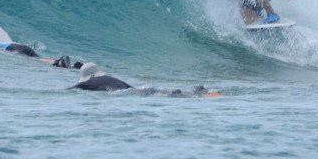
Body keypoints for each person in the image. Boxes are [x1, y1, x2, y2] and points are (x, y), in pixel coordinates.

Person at [0, 6, 73, 67]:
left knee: (36, 60)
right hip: (18, 45)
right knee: (38, 58)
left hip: (10, 49)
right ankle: (67, 64)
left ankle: (58, 63)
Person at [70, 63, 221, 97]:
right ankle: (197, 91)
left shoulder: (86, 83)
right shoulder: (109, 77)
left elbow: (72, 89)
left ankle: (193, 94)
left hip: (128, 93)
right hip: (135, 88)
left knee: (164, 95)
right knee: (155, 91)